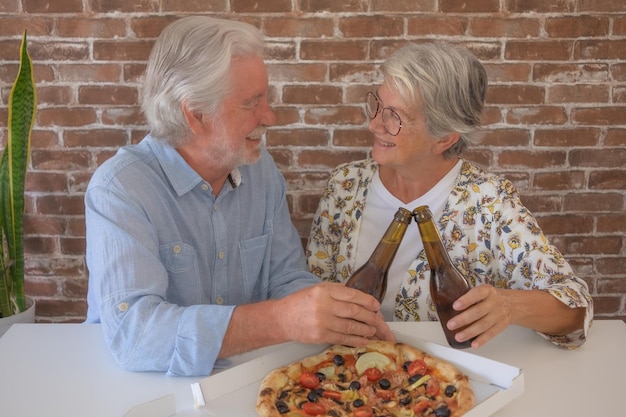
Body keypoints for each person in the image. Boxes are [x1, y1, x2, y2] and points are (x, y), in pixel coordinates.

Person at [84, 16, 393, 377]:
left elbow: (286, 278)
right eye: (252, 103)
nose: (270, 117)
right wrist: (278, 321)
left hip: (246, 384)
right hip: (130, 391)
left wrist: (336, 314)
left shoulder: (262, 173)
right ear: (196, 114)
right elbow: (136, 336)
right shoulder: (120, 189)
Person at [306, 41, 593, 349]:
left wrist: (509, 306)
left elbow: (576, 307)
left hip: (442, 381)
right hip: (348, 377)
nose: (374, 123)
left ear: (444, 138)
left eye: (395, 116)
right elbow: (313, 289)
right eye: (377, 103)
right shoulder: (345, 186)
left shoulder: (489, 202)